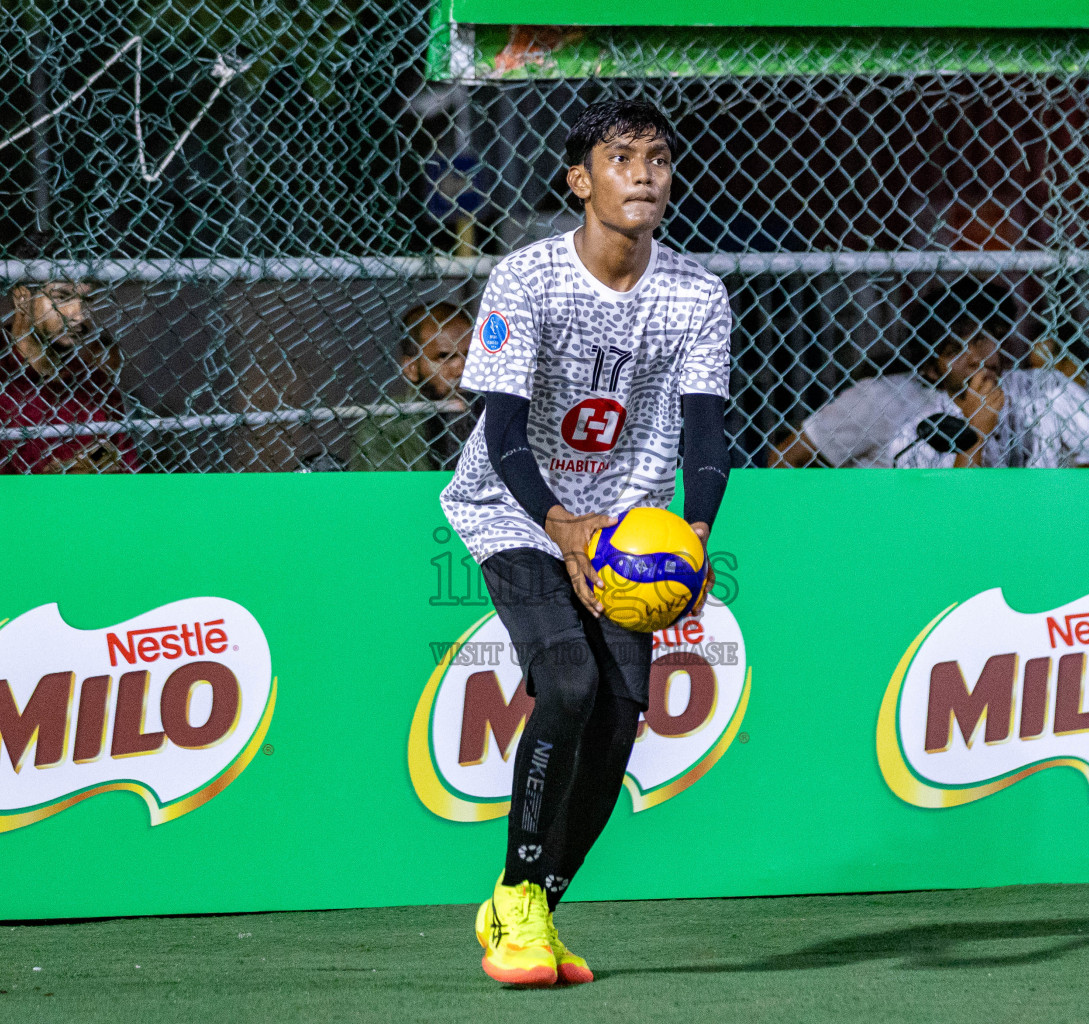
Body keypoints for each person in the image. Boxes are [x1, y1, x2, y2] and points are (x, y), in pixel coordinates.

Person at [439, 99, 731, 986]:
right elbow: (501, 427)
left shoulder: (696, 292)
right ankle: (519, 896)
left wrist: (697, 532)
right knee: (566, 680)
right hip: (514, 507)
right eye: (620, 157)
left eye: (657, 158)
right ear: (581, 181)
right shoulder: (526, 281)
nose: (643, 172)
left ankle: (531, 903)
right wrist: (560, 525)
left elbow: (706, 433)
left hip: (632, 526)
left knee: (619, 715)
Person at [889, 280, 1089, 468]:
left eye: (981, 339)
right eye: (954, 350)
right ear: (932, 371)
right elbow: (958, 517)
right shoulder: (917, 433)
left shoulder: (1044, 386)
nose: (974, 357)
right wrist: (977, 431)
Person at [0, 278, 137, 474]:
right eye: (62, 297)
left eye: (86, 300)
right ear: (22, 299)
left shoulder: (97, 384)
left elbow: (128, 469)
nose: (78, 315)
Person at [351, 303, 475, 471]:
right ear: (411, 368)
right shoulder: (385, 425)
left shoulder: (498, 412)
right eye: (445, 357)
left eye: (472, 354)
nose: (463, 369)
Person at [768, 372, 937, 467]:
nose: (965, 361)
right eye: (955, 350)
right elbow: (787, 457)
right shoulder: (885, 397)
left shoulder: (957, 404)